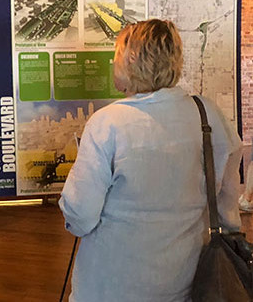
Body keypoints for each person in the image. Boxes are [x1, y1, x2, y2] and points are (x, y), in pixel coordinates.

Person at [59, 19, 242, 302]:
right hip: (186, 280)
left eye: (116, 56)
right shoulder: (207, 114)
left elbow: (80, 216)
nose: (112, 62)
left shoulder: (107, 123)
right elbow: (228, 195)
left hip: (110, 285)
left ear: (131, 61)